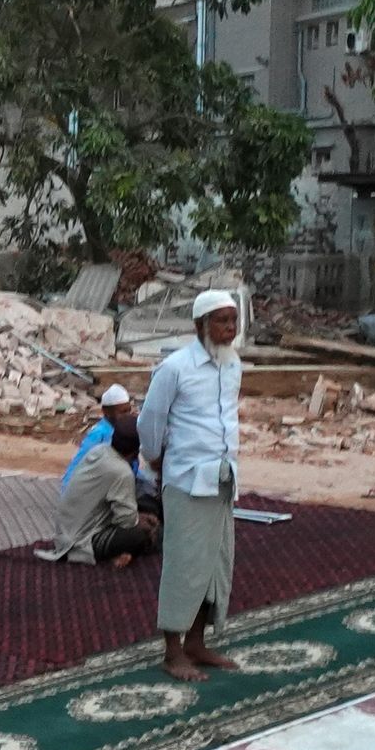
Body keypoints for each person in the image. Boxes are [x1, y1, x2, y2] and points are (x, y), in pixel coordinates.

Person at [142, 289, 246, 679]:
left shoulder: (233, 365)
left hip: (222, 476)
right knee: (184, 564)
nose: (230, 329)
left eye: (233, 321)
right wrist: (154, 456)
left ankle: (197, 642)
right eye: (222, 321)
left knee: (215, 564)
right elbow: (151, 419)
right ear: (199, 325)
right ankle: (173, 651)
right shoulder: (175, 368)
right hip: (186, 477)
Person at [54, 384, 158, 567]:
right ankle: (111, 554)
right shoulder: (102, 442)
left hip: (79, 522)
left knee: (149, 502)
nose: (126, 415)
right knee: (141, 533)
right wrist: (139, 519)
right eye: (122, 412)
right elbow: (126, 521)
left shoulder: (104, 450)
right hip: (79, 539)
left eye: (128, 410)